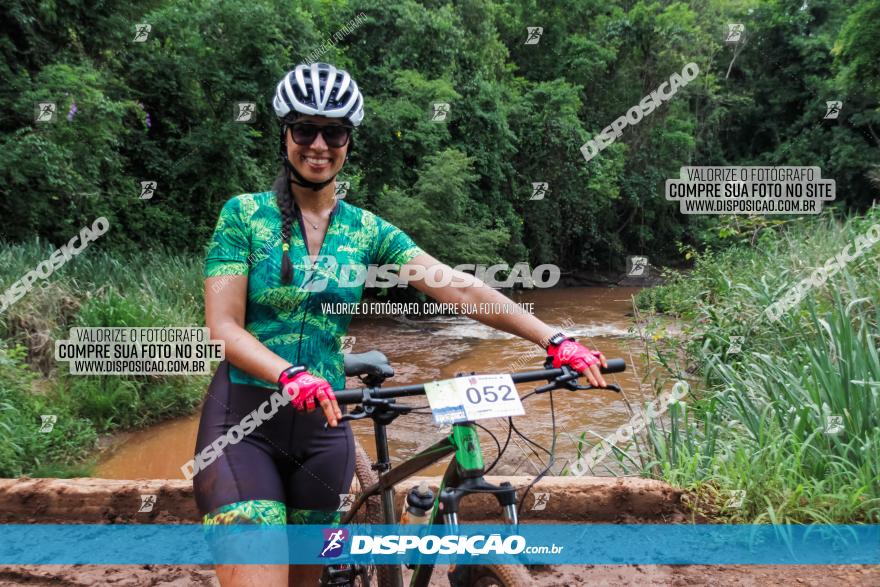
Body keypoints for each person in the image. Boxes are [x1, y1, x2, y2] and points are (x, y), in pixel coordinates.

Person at [194, 62, 609, 587]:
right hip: (244, 421)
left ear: (349, 142)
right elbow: (224, 329)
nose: (318, 144)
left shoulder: (367, 230)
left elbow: (455, 285)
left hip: (324, 430)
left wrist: (554, 338)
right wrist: (289, 374)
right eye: (305, 130)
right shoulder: (242, 217)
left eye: (334, 132)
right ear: (285, 135)